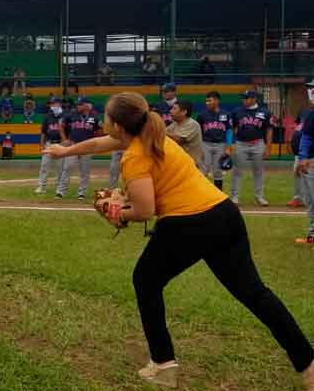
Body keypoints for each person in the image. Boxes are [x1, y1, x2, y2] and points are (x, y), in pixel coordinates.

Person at [43, 92, 314, 389]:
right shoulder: (151, 137)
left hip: (189, 222)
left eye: (106, 117)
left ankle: (163, 365)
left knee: (145, 280)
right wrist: (63, 151)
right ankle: (309, 363)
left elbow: (146, 210)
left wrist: (119, 212)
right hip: (223, 214)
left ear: (118, 125)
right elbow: (98, 143)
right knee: (255, 294)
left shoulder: (134, 155)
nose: (103, 121)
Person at [230, 90, 272, 207]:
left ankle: (259, 197)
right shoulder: (237, 111)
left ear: (254, 98)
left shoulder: (264, 112)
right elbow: (233, 127)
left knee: (258, 171)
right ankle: (235, 196)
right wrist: (232, 143)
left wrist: (268, 147)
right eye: (243, 98)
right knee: (237, 171)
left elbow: (269, 130)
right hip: (241, 143)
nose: (243, 100)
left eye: (246, 98)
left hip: (258, 143)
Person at [57, 97, 102, 200]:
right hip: (74, 145)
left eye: (80, 104)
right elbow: (61, 125)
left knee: (85, 171)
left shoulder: (95, 117)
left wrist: (94, 142)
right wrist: (64, 139)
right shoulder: (72, 114)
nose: (77, 106)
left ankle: (82, 193)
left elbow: (100, 130)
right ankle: (60, 192)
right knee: (67, 168)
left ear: (86, 105)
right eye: (77, 104)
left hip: (87, 147)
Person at [196, 91, 232, 190]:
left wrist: (228, 147)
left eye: (209, 100)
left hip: (220, 145)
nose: (207, 103)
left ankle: (218, 195)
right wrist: (198, 147)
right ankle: (202, 193)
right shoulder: (202, 115)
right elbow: (198, 132)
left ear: (216, 101)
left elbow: (229, 131)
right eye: (206, 101)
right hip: (205, 144)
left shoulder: (226, 114)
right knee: (204, 169)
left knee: (218, 171)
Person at [294, 78, 314, 244]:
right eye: (310, 89)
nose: (311, 92)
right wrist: (302, 159)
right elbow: (306, 138)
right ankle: (312, 235)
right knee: (309, 200)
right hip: (310, 164)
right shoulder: (311, 114)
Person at [35, 97, 67, 195]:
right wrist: (42, 145)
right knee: (44, 166)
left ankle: (59, 188)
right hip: (49, 144)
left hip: (60, 143)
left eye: (55, 104)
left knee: (60, 168)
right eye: (52, 104)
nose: (53, 106)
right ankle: (42, 187)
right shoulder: (47, 116)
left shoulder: (66, 116)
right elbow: (43, 133)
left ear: (60, 104)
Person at [166, 100, 203, 165]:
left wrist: (160, 130)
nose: (170, 111)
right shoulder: (175, 124)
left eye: (174, 109)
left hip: (191, 165)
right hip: (181, 163)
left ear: (184, 112)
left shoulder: (192, 124)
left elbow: (178, 139)